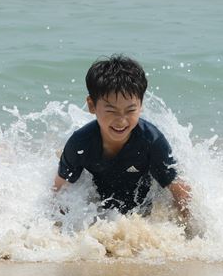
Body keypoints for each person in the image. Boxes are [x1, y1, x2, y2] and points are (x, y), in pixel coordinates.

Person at [53, 54, 191, 218]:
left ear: (141, 105)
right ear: (92, 105)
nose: (121, 121)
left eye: (130, 110)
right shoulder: (80, 144)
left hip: (140, 209)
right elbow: (59, 191)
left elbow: (179, 191)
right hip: (98, 204)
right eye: (111, 111)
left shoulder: (152, 141)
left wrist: (191, 233)